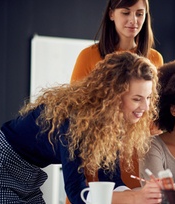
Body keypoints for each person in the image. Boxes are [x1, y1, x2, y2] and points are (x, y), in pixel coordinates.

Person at [0, 52, 162, 204]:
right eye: (137, 99)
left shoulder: (109, 123)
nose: (146, 107)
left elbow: (111, 181)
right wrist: (135, 197)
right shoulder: (76, 121)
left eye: (148, 98)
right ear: (114, 96)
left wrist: (141, 196)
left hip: (26, 177)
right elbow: (77, 195)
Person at [70, 0, 163, 189]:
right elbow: (75, 112)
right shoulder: (88, 56)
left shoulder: (155, 59)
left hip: (135, 155)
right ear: (112, 14)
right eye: (126, 12)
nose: (133, 20)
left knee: (131, 195)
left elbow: (152, 115)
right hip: (97, 152)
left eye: (139, 13)